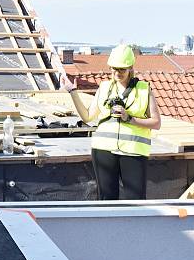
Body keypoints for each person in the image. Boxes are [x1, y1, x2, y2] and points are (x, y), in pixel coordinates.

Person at [62, 44, 162, 200]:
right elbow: (88, 116)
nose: (117, 73)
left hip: (133, 152)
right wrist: (72, 92)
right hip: (103, 150)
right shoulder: (104, 87)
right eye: (114, 68)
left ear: (130, 67)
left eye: (121, 69)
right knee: (106, 201)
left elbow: (156, 123)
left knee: (136, 201)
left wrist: (129, 118)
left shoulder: (144, 89)